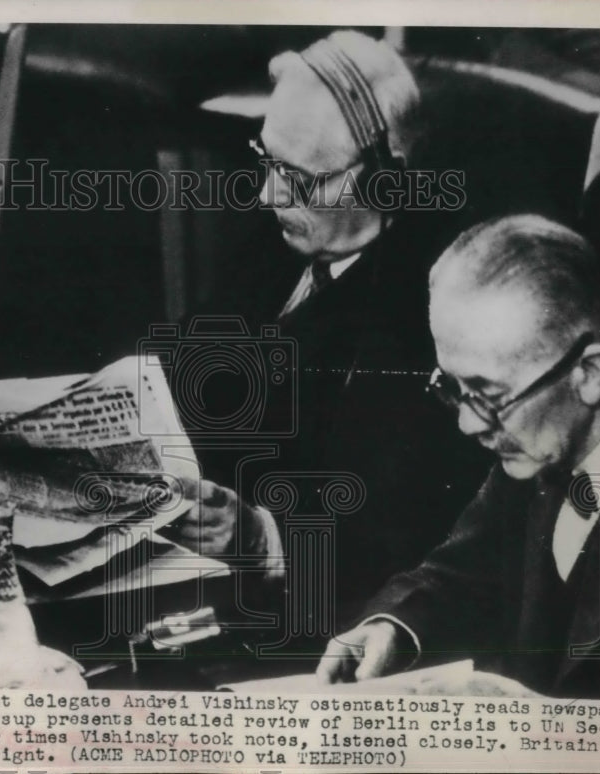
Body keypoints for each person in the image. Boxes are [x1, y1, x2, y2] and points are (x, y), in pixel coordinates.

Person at [169, 30, 486, 635]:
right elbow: (184, 362)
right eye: (267, 161)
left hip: (316, 619)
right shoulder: (289, 236)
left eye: (300, 176)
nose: (269, 193)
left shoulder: (433, 310)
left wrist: (262, 536)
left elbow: (406, 531)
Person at [316, 214, 600, 700]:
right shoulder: (539, 443)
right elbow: (465, 571)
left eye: (489, 395)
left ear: (590, 373)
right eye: (453, 387)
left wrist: (542, 723)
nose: (467, 423)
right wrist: (393, 626)